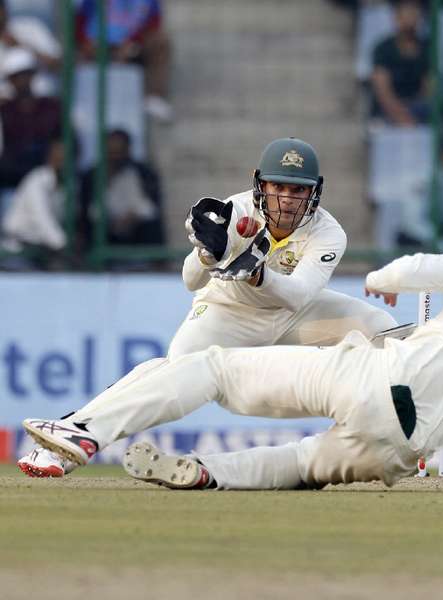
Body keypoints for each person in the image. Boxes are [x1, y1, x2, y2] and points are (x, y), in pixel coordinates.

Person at [21, 231, 443, 492]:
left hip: (371, 375)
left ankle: (84, 432)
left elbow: (409, 269)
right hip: (408, 447)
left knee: (218, 370)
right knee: (306, 467)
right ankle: (208, 476)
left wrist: (383, 285)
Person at [17, 137, 397, 478]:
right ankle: (70, 437)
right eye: (278, 186)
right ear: (259, 184)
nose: (286, 199)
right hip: (226, 312)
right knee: (173, 377)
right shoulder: (236, 211)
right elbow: (190, 281)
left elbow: (298, 295)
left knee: (380, 329)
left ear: (315, 193)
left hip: (293, 315)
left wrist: (258, 274)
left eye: (298, 190)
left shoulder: (328, 232)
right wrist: (206, 253)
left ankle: (403, 433)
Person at [76, 0, 173, 122]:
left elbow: (154, 23)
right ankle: (75, 105)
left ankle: (154, 97)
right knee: (71, 57)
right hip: (96, 48)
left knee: (160, 41)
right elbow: (80, 22)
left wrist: (134, 42)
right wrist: (86, 44)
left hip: (132, 47)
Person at [79, 129, 164, 248]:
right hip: (106, 230)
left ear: (127, 150)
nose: (115, 157)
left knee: (152, 228)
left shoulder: (143, 173)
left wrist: (132, 217)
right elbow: (90, 212)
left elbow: (150, 208)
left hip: (137, 229)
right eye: (112, 152)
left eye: (119, 151)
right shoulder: (91, 176)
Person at [0, 47, 60, 188]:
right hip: (10, 177)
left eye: (25, 74)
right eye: (16, 76)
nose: (22, 80)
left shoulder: (51, 106)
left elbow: (67, 141)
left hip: (46, 174)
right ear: (10, 80)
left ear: (33, 75)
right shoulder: (5, 109)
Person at [1, 137, 66, 256]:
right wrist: (61, 243)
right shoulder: (37, 180)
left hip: (43, 249)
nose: (62, 161)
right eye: (58, 157)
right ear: (49, 157)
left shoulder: (68, 184)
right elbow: (41, 216)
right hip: (17, 249)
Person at [371, 0, 430, 125]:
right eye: (407, 13)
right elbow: (382, 91)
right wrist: (399, 114)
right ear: (396, 17)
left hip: (418, 111)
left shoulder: (427, 48)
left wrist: (415, 112)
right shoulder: (383, 49)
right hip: (387, 112)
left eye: (415, 13)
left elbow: (429, 86)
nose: (411, 18)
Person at [0, 0, 61, 97]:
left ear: (4, 9)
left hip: (43, 102)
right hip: (5, 107)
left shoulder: (30, 26)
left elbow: (58, 65)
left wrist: (20, 45)